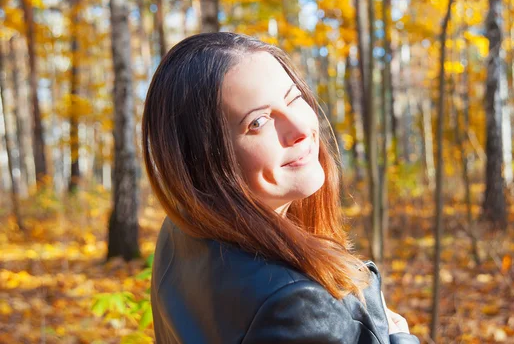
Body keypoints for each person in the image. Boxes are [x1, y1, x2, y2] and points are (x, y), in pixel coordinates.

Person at [142, 32, 420, 344]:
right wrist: (398, 336)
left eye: (293, 98)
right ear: (205, 160)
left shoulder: (184, 229)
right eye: (257, 122)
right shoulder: (295, 305)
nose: (301, 130)